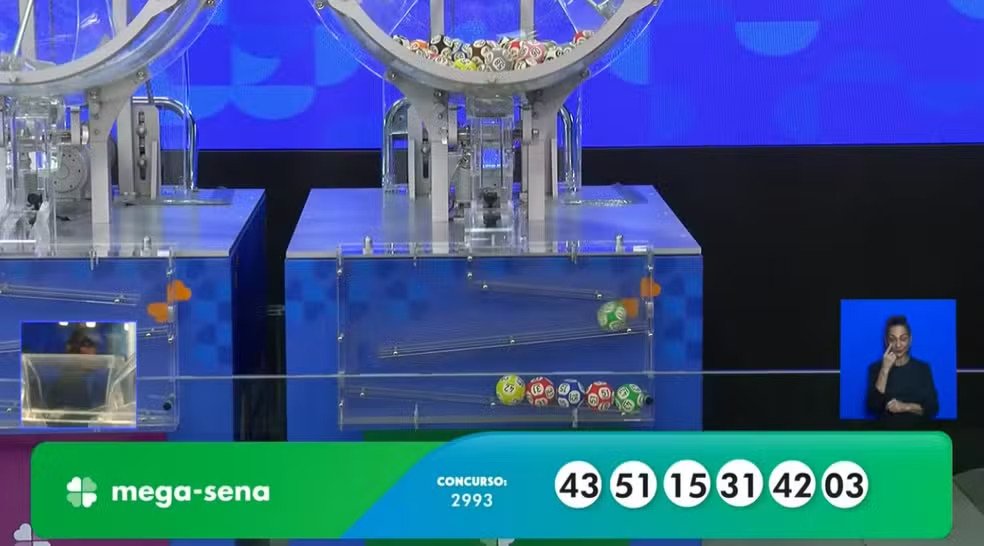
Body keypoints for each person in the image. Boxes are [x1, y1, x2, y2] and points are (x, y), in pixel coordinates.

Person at [866, 315, 939, 425]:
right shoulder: (875, 368)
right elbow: (873, 407)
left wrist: (905, 407)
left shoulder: (923, 368)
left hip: (917, 431)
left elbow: (933, 408)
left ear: (910, 339)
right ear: (886, 341)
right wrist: (884, 369)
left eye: (903, 338)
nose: (898, 344)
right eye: (892, 339)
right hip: (888, 432)